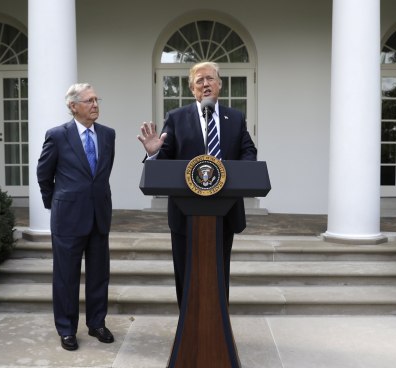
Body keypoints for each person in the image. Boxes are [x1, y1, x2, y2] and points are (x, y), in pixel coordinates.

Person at [137, 61, 257, 308]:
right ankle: (187, 326)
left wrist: (238, 172)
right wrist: (153, 155)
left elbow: (249, 153)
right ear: (192, 89)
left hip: (224, 210)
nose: (205, 84)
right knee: (186, 271)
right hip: (185, 212)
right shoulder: (176, 118)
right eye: (199, 81)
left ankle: (219, 327)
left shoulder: (235, 118)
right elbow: (164, 161)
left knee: (219, 271)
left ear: (219, 85)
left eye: (210, 79)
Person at [37, 83, 116, 351]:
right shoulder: (58, 135)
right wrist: (56, 203)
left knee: (98, 274)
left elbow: (101, 175)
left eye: (97, 99)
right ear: (73, 106)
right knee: (66, 276)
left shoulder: (108, 135)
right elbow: (44, 175)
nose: (95, 105)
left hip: (99, 215)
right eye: (89, 100)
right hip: (68, 217)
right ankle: (67, 329)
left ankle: (97, 324)